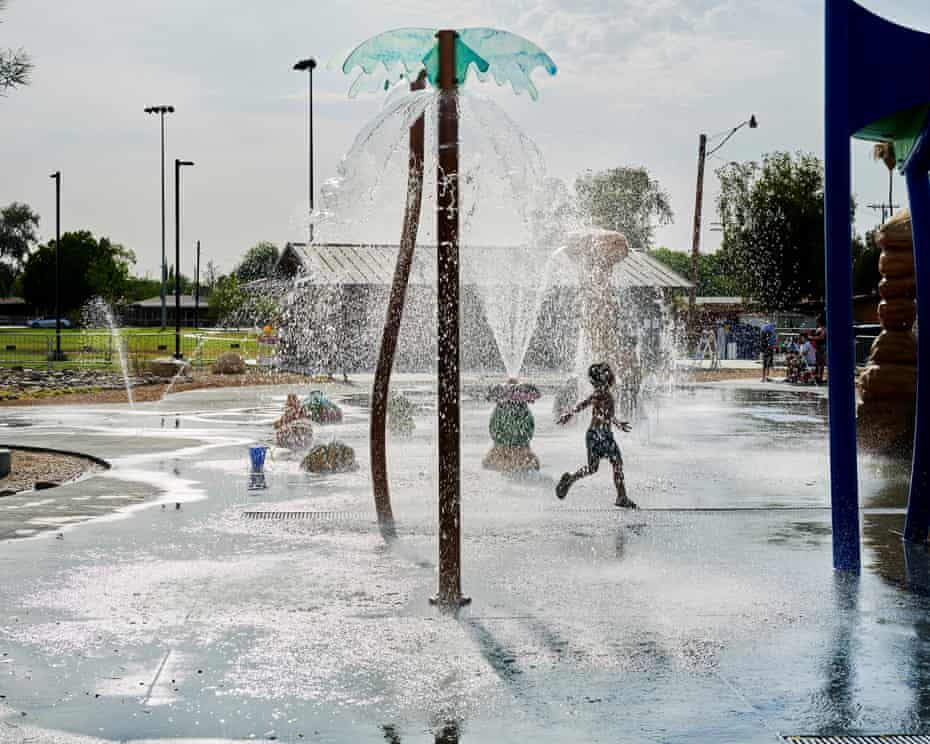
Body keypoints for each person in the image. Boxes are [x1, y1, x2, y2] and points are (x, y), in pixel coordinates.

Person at [555, 362, 636, 508]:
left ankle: (571, 479)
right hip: (602, 434)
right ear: (603, 377)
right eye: (608, 372)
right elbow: (604, 414)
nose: (611, 373)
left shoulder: (599, 392)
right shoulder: (603, 393)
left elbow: (585, 404)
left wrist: (570, 413)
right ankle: (621, 496)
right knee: (617, 463)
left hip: (593, 434)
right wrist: (617, 423)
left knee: (593, 468)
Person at [810, 314, 828, 384]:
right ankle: (817, 376)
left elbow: (821, 337)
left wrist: (811, 338)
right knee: (818, 363)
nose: (816, 322)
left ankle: (820, 377)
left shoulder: (823, 328)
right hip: (818, 346)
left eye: (817, 320)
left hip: (821, 346)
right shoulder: (819, 328)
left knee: (821, 363)